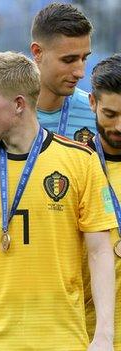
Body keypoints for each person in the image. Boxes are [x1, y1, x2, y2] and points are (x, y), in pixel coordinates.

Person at [0, 51, 116, 351]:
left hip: (62, 340)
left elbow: (99, 252)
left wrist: (104, 336)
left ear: (18, 104)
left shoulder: (81, 160)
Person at [84, 54, 121, 350]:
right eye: (111, 114)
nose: (120, 126)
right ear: (93, 102)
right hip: (87, 335)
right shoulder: (73, 165)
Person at [31, 2, 95, 142]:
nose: (80, 73)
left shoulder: (97, 114)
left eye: (84, 58)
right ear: (38, 52)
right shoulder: (5, 113)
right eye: (69, 60)